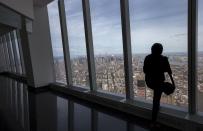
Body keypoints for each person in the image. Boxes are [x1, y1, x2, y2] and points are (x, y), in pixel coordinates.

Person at [143, 43, 175, 126]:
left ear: (152, 50)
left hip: (149, 82)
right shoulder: (162, 59)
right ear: (161, 51)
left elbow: (145, 70)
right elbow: (169, 71)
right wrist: (165, 63)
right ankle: (153, 121)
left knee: (157, 96)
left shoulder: (147, 57)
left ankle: (154, 118)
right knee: (156, 100)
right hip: (158, 83)